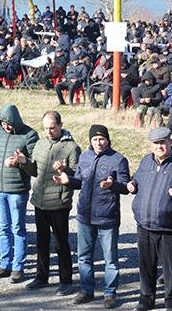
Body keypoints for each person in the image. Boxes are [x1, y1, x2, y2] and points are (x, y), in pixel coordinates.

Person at [53, 124, 130, 308]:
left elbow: (126, 187)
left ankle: (110, 293)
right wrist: (68, 181)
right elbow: (79, 182)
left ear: (108, 139)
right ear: (90, 141)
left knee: (110, 258)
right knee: (84, 257)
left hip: (107, 217)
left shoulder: (118, 160)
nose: (98, 143)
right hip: (84, 216)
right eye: (95, 139)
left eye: (102, 139)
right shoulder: (84, 157)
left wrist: (112, 185)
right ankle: (87, 291)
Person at [128, 127, 172, 311]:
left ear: (170, 142)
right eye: (156, 143)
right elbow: (137, 179)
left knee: (170, 266)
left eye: (162, 142)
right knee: (146, 265)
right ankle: (146, 298)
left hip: (169, 224)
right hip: (144, 223)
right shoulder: (145, 161)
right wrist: (133, 184)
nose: (159, 146)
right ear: (151, 145)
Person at [22, 111, 80, 295]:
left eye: (52, 128)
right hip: (40, 201)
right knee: (41, 241)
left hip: (59, 203)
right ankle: (42, 276)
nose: (49, 131)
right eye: (45, 128)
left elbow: (77, 176)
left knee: (61, 243)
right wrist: (23, 163)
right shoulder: (40, 143)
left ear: (61, 125)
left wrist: (65, 169)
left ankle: (66, 281)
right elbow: (35, 171)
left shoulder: (71, 147)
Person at [0, 104, 39, 283]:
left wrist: (21, 162)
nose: (6, 127)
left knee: (18, 229)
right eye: (3, 123)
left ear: (16, 121)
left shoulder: (29, 135)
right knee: (3, 228)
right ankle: (5, 263)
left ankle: (18, 267)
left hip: (17, 191)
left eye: (9, 124)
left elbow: (34, 168)